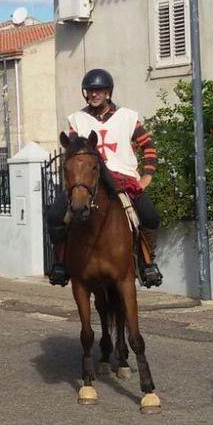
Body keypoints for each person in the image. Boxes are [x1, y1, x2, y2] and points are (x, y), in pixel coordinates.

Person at [47, 68, 163, 288]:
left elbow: (148, 146)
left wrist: (147, 175)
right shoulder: (77, 119)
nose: (93, 94)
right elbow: (73, 151)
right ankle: (60, 264)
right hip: (88, 180)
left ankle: (148, 264)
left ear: (108, 92)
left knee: (150, 216)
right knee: (54, 216)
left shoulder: (127, 117)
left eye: (98, 90)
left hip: (122, 177)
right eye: (90, 91)